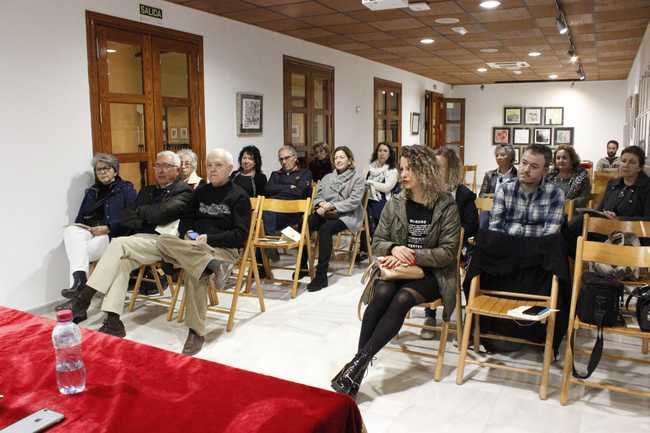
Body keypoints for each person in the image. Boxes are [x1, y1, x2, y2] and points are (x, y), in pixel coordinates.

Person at [331, 145, 460, 396]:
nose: (403, 173)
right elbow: (378, 241)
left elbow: (448, 252)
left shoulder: (446, 205)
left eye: (410, 168)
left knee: (401, 298)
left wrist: (413, 254)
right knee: (381, 294)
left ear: (426, 170)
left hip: (433, 273)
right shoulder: (397, 202)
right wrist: (393, 248)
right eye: (401, 168)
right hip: (397, 268)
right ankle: (359, 366)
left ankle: (357, 364)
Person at [68, 151, 193, 337]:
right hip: (138, 240)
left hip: (165, 243)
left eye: (166, 166)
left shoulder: (184, 191)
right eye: (157, 165)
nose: (160, 170)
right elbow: (128, 218)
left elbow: (161, 214)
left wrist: (144, 214)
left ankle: (84, 296)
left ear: (177, 169)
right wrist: (149, 215)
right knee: (122, 262)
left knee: (118, 244)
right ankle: (113, 321)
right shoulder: (147, 191)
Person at [158, 149, 251, 355]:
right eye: (209, 165)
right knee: (163, 241)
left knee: (194, 272)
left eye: (218, 165)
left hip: (224, 250)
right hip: (196, 247)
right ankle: (213, 267)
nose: (212, 169)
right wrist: (190, 233)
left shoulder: (239, 196)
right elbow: (186, 221)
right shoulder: (200, 192)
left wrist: (210, 239)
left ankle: (195, 332)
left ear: (229, 168)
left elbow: (240, 236)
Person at [60, 154, 136, 300]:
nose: (102, 172)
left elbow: (132, 218)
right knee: (70, 231)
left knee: (77, 253)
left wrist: (108, 228)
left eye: (106, 168)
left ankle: (77, 297)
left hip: (111, 235)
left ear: (115, 170)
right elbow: (80, 218)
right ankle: (80, 284)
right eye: (98, 169)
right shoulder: (91, 192)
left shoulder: (126, 189)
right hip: (90, 232)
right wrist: (82, 228)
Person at [421, 147, 478, 339]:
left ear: (451, 169)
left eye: (439, 166)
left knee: (440, 261)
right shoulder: (424, 192)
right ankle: (429, 316)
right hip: (427, 244)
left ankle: (449, 316)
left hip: (454, 245)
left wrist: (449, 231)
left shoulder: (464, 194)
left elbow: (472, 225)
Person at [298, 146, 365, 292]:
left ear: (349, 160)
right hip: (326, 212)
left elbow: (353, 201)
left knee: (325, 229)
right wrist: (321, 204)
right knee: (305, 223)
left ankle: (321, 276)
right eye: (336, 158)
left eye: (342, 157)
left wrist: (331, 205)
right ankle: (302, 265)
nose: (338, 160)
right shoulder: (328, 177)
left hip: (347, 215)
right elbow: (318, 196)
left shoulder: (357, 178)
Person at [564, 145, 650, 256]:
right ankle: (583, 261)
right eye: (623, 161)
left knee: (575, 226)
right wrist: (597, 213)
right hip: (606, 231)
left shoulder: (647, 187)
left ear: (639, 167)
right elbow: (600, 209)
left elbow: (648, 219)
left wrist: (619, 219)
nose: (626, 165)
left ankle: (589, 260)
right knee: (567, 230)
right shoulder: (613, 184)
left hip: (632, 236)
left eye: (632, 162)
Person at [489, 144, 565, 237]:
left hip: (538, 247)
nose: (526, 170)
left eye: (534, 166)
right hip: (506, 245)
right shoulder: (504, 189)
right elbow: (495, 228)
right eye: (524, 163)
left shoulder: (555, 194)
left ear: (545, 171)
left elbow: (550, 234)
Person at [263, 145, 313, 235]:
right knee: (258, 217)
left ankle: (270, 245)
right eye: (281, 159)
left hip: (294, 213)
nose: (284, 162)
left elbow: (300, 193)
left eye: (286, 158)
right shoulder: (275, 174)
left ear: (295, 157)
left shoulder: (305, 173)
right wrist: (289, 187)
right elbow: (268, 190)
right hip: (275, 212)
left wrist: (278, 191)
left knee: (264, 217)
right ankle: (271, 245)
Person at [365, 143, 399, 235]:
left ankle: (375, 239)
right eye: (380, 151)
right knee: (361, 207)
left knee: (372, 208)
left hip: (384, 200)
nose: (382, 153)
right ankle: (366, 242)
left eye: (385, 151)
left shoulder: (392, 170)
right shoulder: (370, 168)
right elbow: (362, 183)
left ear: (389, 154)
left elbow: (387, 188)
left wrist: (370, 183)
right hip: (368, 199)